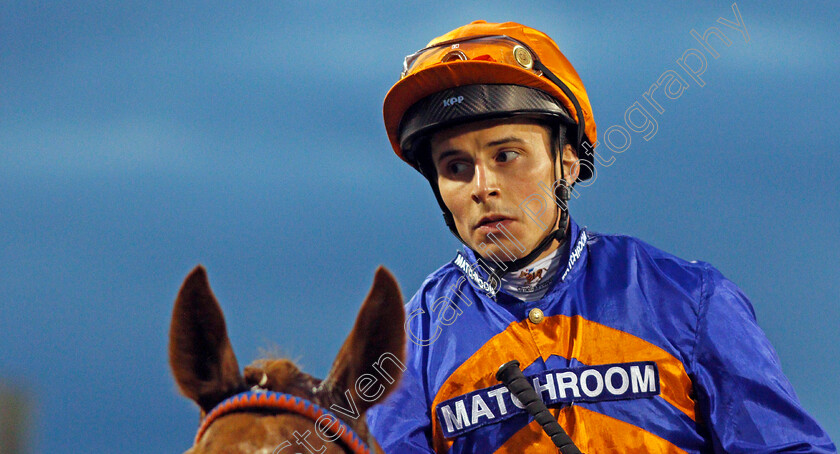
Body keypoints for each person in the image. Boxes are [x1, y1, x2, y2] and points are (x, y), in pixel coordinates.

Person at [366, 20, 836, 453]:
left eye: (506, 155)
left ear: (566, 164)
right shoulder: (407, 346)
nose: (482, 186)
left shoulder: (691, 299)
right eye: (455, 168)